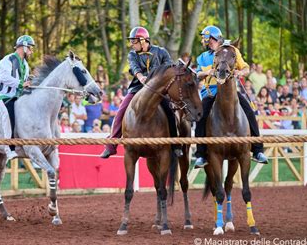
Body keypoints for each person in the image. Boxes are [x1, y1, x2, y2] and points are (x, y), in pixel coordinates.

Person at [100, 26, 180, 159]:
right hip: (138, 88)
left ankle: (175, 144)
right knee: (121, 111)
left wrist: (157, 80)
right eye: (131, 41)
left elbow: (169, 67)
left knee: (170, 112)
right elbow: (134, 67)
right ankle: (111, 145)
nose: (132, 44)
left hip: (159, 89)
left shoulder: (161, 52)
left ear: (143, 41)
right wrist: (140, 76)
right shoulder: (132, 54)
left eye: (134, 41)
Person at [194, 25, 268, 168]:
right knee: (201, 117)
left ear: (217, 39)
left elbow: (245, 68)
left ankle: (258, 150)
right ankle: (201, 154)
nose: (208, 43)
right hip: (211, 93)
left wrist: (240, 73)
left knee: (249, 111)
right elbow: (197, 74)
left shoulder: (232, 51)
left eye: (209, 41)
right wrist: (207, 72)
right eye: (206, 41)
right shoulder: (202, 57)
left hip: (230, 92)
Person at [0, 35, 35, 160]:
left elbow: (24, 82)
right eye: (30, 48)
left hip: (18, 96)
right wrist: (21, 83)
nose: (32, 51)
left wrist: (30, 81)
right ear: (24, 47)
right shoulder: (7, 60)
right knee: (9, 113)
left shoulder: (26, 65)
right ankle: (9, 148)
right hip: (4, 96)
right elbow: (4, 78)